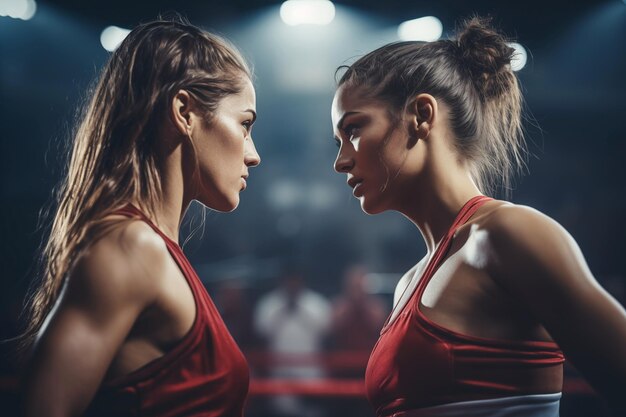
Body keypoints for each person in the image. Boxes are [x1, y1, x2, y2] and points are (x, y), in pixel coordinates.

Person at [331, 16, 626, 417]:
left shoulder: (506, 234)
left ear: (421, 114)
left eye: (354, 129)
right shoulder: (409, 283)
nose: (341, 160)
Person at [19, 18, 260, 417]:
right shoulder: (133, 246)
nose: (253, 154)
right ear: (184, 111)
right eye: (245, 124)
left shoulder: (156, 252)